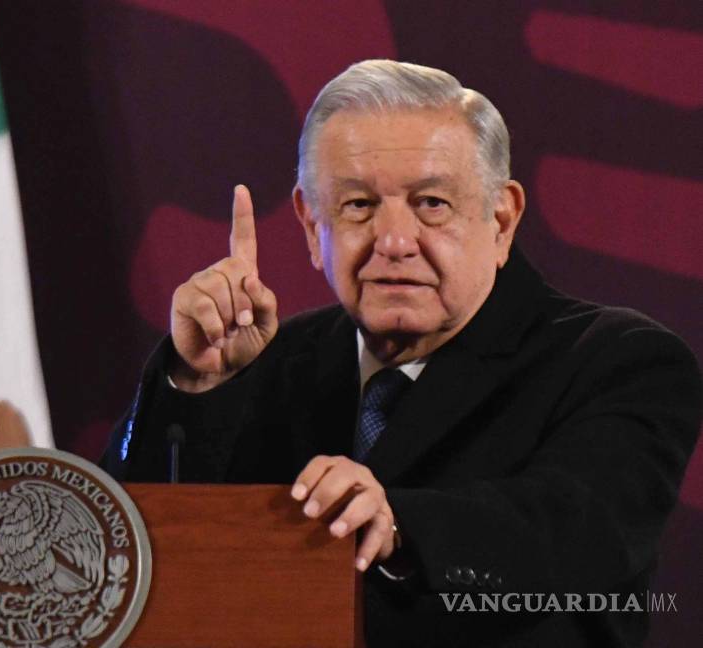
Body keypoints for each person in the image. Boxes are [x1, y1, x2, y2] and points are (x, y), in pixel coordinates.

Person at [101, 60, 701, 647]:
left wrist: (398, 525)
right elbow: (117, 566)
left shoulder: (618, 360)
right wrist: (197, 392)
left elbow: (574, 535)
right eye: (358, 205)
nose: (393, 242)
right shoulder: (261, 362)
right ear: (313, 227)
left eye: (431, 204)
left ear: (501, 218)